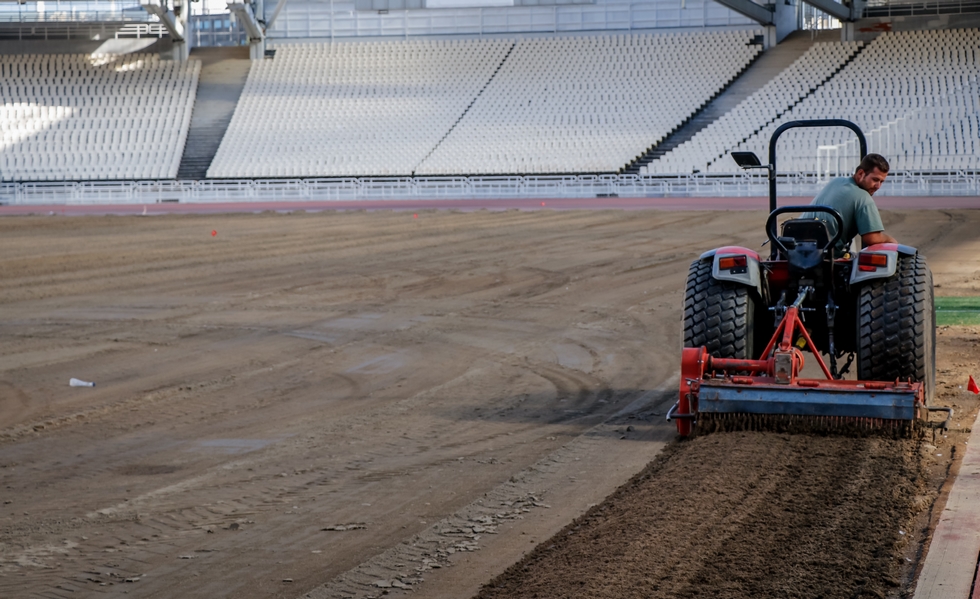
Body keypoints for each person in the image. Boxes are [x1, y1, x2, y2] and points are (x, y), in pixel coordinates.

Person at [807, 153, 897, 257]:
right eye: (875, 180)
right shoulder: (863, 198)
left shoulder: (837, 181)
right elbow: (872, 238)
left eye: (882, 182)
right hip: (826, 256)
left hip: (794, 249)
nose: (878, 186)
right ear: (860, 174)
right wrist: (890, 240)